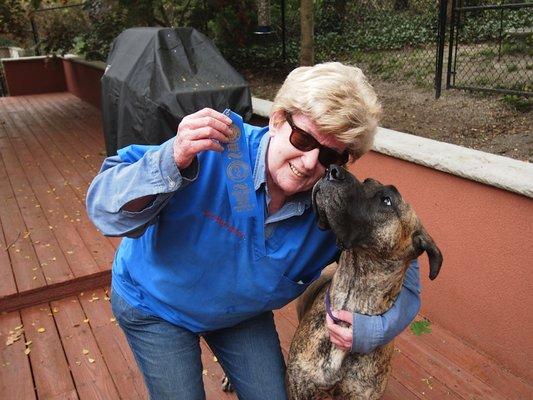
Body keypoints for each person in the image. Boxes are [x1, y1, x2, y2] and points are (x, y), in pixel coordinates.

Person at [86, 62, 421, 400]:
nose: (309, 163)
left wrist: (373, 330)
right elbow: (103, 208)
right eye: (302, 138)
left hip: (238, 313)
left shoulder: (336, 207)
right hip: (155, 304)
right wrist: (170, 159)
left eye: (330, 156)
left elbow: (405, 271)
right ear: (277, 119)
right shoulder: (214, 147)